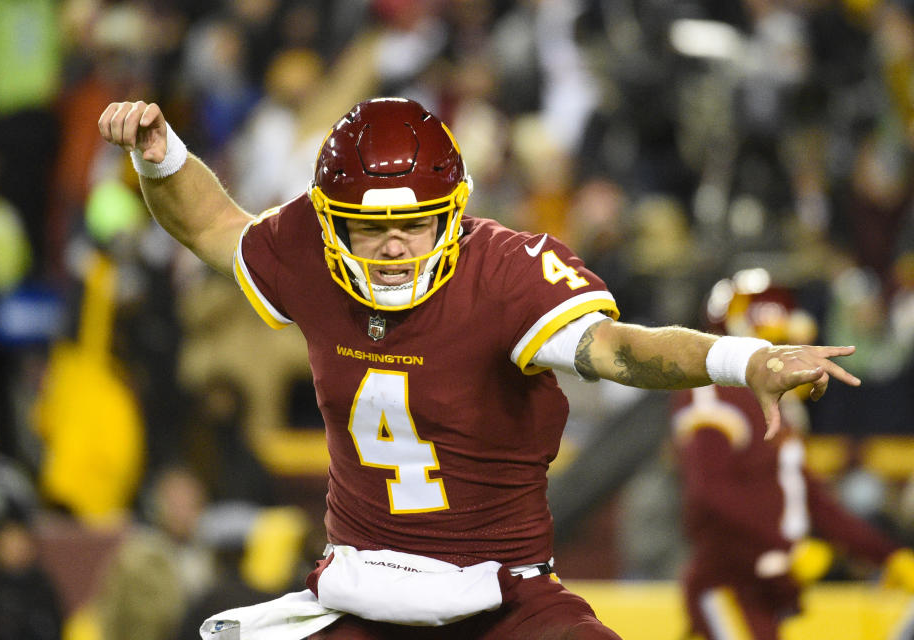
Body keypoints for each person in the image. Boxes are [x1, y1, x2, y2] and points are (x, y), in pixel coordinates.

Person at [98, 97, 861, 640]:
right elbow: (212, 227)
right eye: (371, 230)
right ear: (330, 222)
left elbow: (623, 348)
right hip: (364, 596)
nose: (395, 247)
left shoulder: (505, 274)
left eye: (415, 225)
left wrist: (741, 357)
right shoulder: (305, 249)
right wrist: (160, 156)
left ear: (453, 214)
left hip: (503, 602)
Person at [670, 269, 914, 640]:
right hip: (730, 585)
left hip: (765, 588)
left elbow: (810, 498)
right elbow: (709, 493)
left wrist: (885, 554)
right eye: (781, 345)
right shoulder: (714, 396)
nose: (795, 364)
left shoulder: (779, 411)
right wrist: (784, 546)